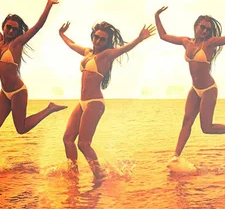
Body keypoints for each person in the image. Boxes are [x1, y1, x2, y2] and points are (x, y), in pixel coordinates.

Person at [154, 5, 225, 161]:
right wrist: (157, 16)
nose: (205, 31)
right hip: (195, 89)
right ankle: (176, 156)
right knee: (186, 121)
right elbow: (163, 35)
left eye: (208, 29)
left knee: (206, 128)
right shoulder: (186, 42)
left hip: (208, 89)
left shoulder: (211, 43)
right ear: (196, 26)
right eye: (203, 27)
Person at [0, 0, 67, 162]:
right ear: (4, 26)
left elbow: (38, 26)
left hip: (18, 91)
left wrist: (48, 5)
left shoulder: (18, 43)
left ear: (18, 32)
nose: (10, 31)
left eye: (14, 29)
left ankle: (49, 109)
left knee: (21, 128)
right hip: (4, 91)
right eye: (8, 27)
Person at [59, 21, 156, 180]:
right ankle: (73, 176)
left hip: (94, 103)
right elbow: (72, 44)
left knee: (83, 144)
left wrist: (139, 39)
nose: (97, 41)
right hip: (82, 102)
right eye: (96, 37)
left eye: (102, 39)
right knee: (68, 139)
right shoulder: (88, 53)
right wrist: (62, 34)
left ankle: (100, 176)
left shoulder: (107, 54)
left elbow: (123, 49)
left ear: (107, 42)